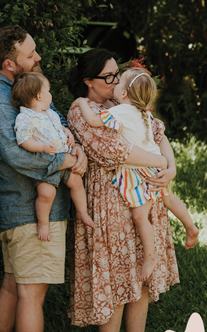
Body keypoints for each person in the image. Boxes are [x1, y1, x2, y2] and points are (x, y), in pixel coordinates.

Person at [0, 25, 87, 332]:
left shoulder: (21, 88)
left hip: (17, 210)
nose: (37, 58)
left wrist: (77, 150)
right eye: (30, 54)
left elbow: (57, 123)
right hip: (28, 211)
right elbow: (17, 155)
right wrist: (66, 163)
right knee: (31, 294)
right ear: (10, 63)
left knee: (13, 286)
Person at [67, 49, 180, 332]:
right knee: (116, 283)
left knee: (141, 279)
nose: (117, 81)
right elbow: (112, 151)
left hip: (142, 199)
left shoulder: (126, 105)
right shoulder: (81, 109)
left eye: (118, 74)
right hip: (109, 202)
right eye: (109, 76)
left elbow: (159, 133)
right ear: (89, 81)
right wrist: (159, 163)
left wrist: (170, 165)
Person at [75, 67, 198, 282]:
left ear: (124, 94)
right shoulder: (142, 113)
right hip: (155, 166)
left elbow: (94, 121)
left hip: (140, 170)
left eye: (119, 82)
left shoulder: (122, 111)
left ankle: (150, 257)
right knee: (169, 198)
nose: (115, 84)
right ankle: (191, 226)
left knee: (140, 216)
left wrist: (81, 102)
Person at [12, 72, 94, 242]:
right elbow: (23, 140)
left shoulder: (49, 112)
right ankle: (43, 223)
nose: (51, 95)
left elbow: (59, 128)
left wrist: (67, 133)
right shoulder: (25, 117)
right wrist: (41, 147)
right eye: (48, 91)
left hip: (63, 158)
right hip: (47, 164)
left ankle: (83, 212)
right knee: (46, 194)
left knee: (77, 182)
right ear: (39, 95)